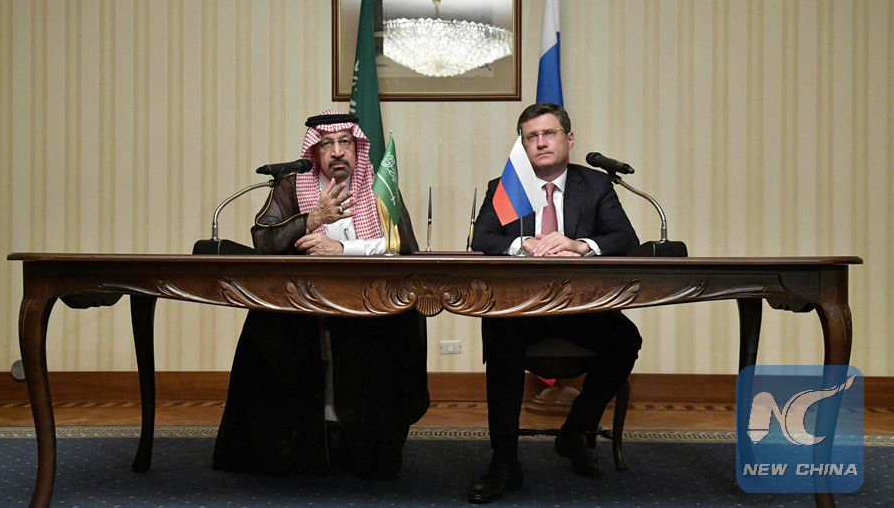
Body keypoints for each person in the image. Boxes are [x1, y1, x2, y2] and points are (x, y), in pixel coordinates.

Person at [212, 110, 429, 481]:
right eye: (327, 144)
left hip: (368, 306)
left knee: (392, 331)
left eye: (345, 142)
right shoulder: (292, 187)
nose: (337, 151)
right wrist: (311, 220)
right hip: (302, 305)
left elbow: (405, 247)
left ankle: (365, 449)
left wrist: (344, 250)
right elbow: (263, 241)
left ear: (357, 148)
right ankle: (297, 449)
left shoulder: (379, 187)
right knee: (268, 330)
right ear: (315, 151)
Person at [468, 103, 642, 503]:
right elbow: (482, 239)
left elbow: (625, 239)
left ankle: (575, 430)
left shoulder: (595, 185)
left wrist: (580, 245)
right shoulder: (506, 186)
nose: (541, 142)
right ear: (523, 145)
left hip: (581, 306)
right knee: (500, 336)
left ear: (569, 139)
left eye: (549, 133)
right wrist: (524, 243)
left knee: (625, 340)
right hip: (521, 307)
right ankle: (504, 459)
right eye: (531, 136)